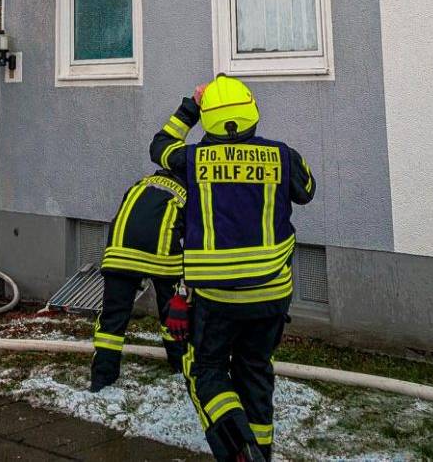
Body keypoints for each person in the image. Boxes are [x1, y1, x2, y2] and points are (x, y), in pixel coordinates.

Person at [150, 75, 316, 462]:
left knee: (207, 371)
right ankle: (261, 451)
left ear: (209, 119)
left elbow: (160, 146)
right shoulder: (282, 156)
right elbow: (307, 190)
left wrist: (190, 107)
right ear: (252, 112)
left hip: (216, 298)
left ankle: (239, 448)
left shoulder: (193, 160)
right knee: (255, 370)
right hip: (271, 295)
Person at [88, 167, 188, 392]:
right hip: (162, 258)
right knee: (172, 314)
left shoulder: (140, 184)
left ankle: (101, 379)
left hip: (120, 253)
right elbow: (193, 235)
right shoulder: (187, 192)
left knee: (112, 319)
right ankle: (181, 365)